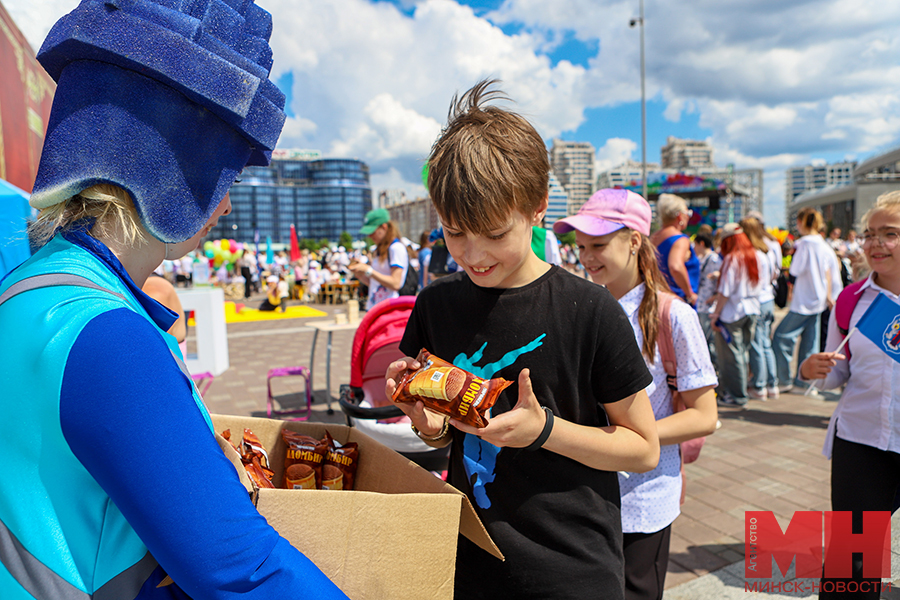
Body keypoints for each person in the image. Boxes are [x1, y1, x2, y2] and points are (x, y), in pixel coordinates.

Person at [0, 1, 347, 597]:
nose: (229, 205)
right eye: (228, 179)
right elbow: (240, 570)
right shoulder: (106, 335)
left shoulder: (32, 289)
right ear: (178, 163)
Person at [386, 80, 659, 600]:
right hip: (468, 561)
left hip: (573, 571)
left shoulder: (590, 310)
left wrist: (545, 430)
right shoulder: (435, 305)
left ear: (537, 206)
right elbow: (450, 435)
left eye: (493, 233)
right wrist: (428, 425)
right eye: (453, 232)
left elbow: (643, 448)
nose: (472, 254)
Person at [554, 188, 718, 600]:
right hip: (585, 492)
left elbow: (703, 415)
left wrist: (633, 439)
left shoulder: (673, 315)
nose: (587, 257)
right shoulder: (580, 308)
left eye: (598, 244)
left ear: (633, 241)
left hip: (644, 495)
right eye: (581, 247)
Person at [798, 191, 900, 600]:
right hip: (861, 440)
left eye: (889, 234)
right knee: (853, 559)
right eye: (869, 234)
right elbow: (837, 370)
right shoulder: (852, 301)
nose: (875, 243)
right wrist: (813, 369)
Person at [772, 208, 835, 394]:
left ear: (801, 222)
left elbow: (795, 270)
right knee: (810, 343)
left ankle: (783, 379)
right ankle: (806, 383)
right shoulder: (823, 244)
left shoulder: (804, 244)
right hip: (819, 299)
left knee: (781, 338)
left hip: (803, 300)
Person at [709, 224, 765, 406]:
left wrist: (715, 314)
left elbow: (725, 291)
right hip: (752, 310)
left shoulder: (732, 258)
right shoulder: (756, 255)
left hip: (732, 313)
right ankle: (740, 392)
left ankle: (736, 395)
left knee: (731, 357)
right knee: (742, 353)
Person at [740, 216, 780, 399]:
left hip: (757, 301)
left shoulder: (751, 252)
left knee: (757, 345)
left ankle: (759, 385)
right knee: (765, 344)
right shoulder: (767, 249)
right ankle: (771, 384)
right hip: (768, 298)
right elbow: (774, 274)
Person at [348, 208, 409, 309]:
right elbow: (375, 283)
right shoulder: (379, 250)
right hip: (375, 307)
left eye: (372, 232)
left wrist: (368, 270)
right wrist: (360, 274)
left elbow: (395, 283)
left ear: (384, 227)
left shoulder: (396, 248)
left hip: (388, 309)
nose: (370, 236)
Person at [650, 194, 700, 305]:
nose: (688, 217)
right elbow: (675, 267)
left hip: (655, 297)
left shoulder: (653, 238)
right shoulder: (680, 239)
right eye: (688, 213)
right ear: (680, 216)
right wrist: (690, 294)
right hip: (677, 300)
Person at [142, 271, 188, 356]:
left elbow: (160, 345)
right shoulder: (155, 285)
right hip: (171, 357)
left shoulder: (153, 287)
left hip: (165, 359)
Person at [693, 231, 721, 366]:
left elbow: (721, 281)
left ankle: (714, 367)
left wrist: (715, 297)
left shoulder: (714, 259)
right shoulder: (703, 259)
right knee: (705, 339)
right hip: (703, 303)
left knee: (706, 339)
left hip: (709, 305)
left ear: (701, 243)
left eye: (695, 244)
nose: (694, 248)